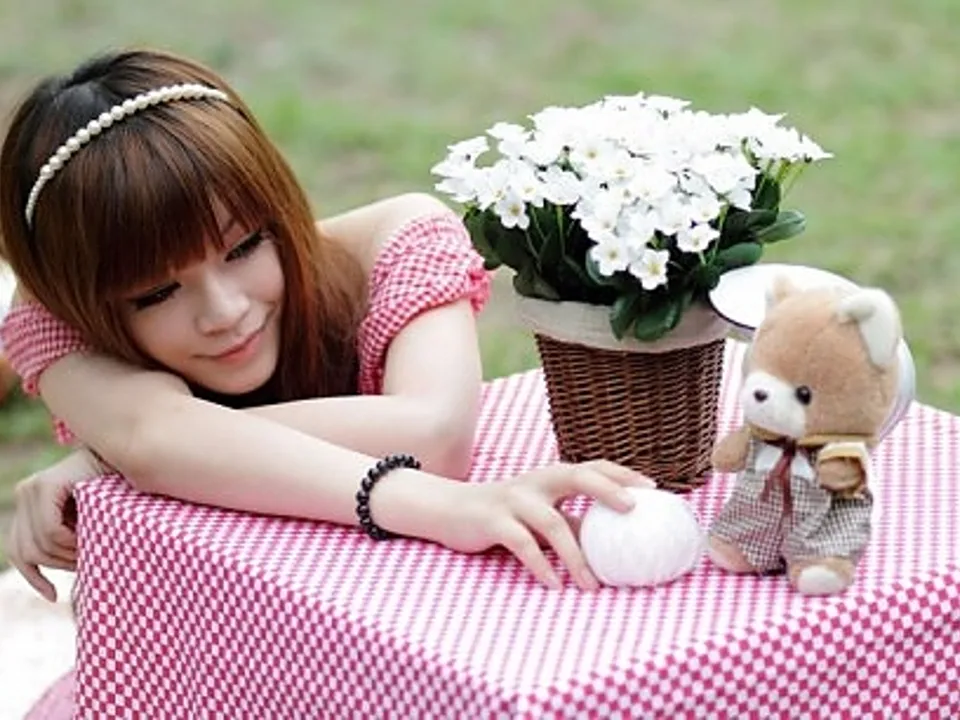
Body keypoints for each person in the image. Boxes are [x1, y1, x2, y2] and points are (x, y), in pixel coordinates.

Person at [0, 47, 653, 716]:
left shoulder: (401, 238)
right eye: (156, 293)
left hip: (408, 664)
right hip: (201, 677)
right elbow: (155, 438)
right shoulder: (56, 318)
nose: (224, 312)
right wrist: (139, 452)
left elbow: (433, 437)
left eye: (244, 247)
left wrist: (114, 460)